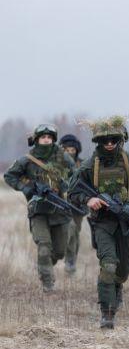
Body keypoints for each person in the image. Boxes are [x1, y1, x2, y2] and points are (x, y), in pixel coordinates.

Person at [68, 116, 129, 328]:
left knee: (123, 269)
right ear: (99, 142)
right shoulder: (90, 166)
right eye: (104, 141)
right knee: (108, 264)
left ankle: (117, 287)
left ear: (120, 140)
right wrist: (90, 199)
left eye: (113, 140)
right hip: (102, 223)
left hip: (126, 223)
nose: (108, 144)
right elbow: (72, 191)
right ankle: (107, 314)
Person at [4, 124, 75, 291]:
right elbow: (9, 176)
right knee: (44, 247)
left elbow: (75, 174)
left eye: (49, 137)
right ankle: (47, 284)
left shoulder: (63, 157)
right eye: (43, 137)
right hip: (38, 211)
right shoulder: (27, 160)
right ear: (36, 140)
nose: (46, 140)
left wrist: (65, 186)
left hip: (59, 209)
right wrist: (28, 188)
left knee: (59, 252)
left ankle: (45, 266)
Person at [59, 134, 88, 275]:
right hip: (61, 204)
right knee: (69, 232)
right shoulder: (57, 166)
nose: (70, 153)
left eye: (72, 150)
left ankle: (72, 261)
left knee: (75, 234)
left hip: (78, 205)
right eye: (67, 150)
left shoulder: (82, 165)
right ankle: (68, 260)